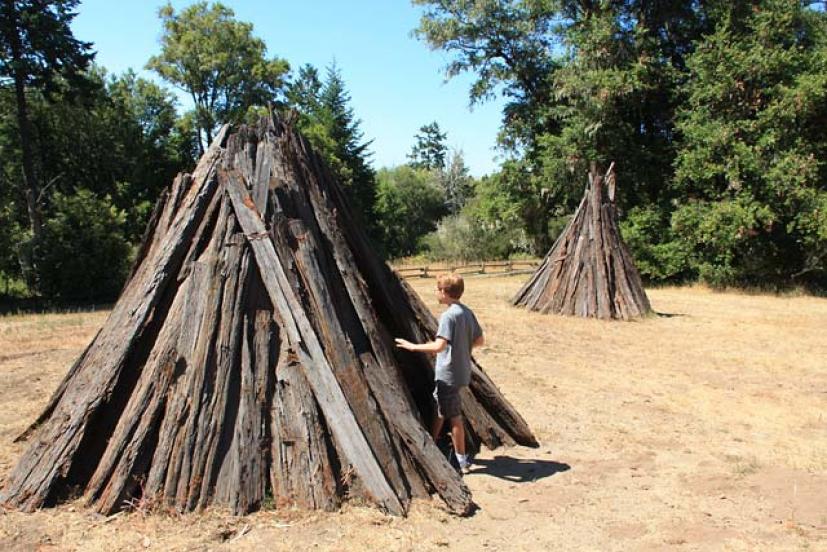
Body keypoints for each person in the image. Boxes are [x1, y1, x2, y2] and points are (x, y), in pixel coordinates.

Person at [395, 273, 484, 474]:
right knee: (440, 407)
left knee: (454, 417)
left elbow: (439, 346)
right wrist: (462, 345)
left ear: (444, 292)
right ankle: (433, 443)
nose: (436, 292)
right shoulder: (466, 312)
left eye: (437, 289)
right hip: (461, 371)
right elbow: (479, 341)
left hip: (448, 374)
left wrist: (412, 346)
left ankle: (462, 461)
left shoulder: (448, 316)